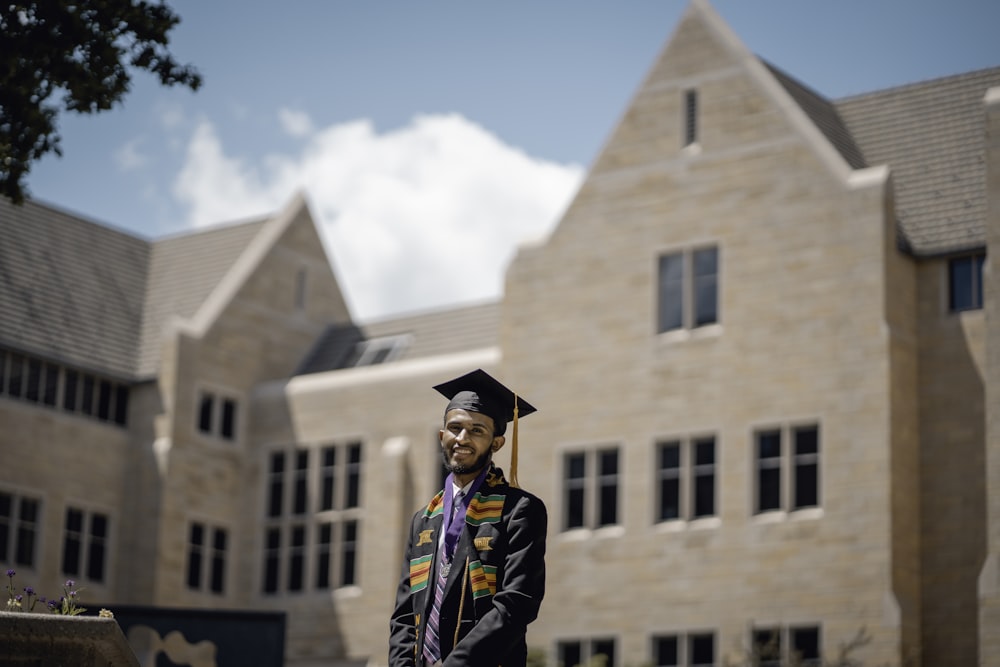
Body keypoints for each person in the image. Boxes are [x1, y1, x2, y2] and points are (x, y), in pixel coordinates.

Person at [389, 368, 547, 667]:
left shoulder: (518, 510)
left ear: (496, 443)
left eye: (477, 430)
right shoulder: (424, 519)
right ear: (441, 435)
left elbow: (516, 604)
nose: (462, 438)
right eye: (455, 428)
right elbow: (405, 614)